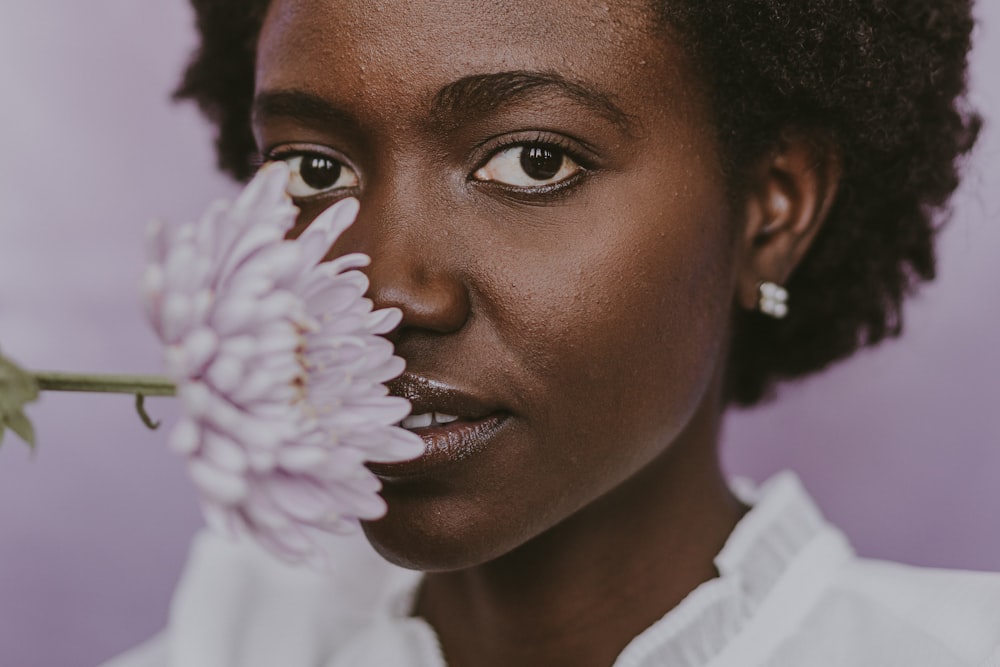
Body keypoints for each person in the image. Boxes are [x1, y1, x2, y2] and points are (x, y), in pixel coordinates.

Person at [104, 1, 1000, 665]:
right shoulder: (228, 639)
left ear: (774, 209)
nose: (383, 289)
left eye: (534, 160)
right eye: (313, 167)